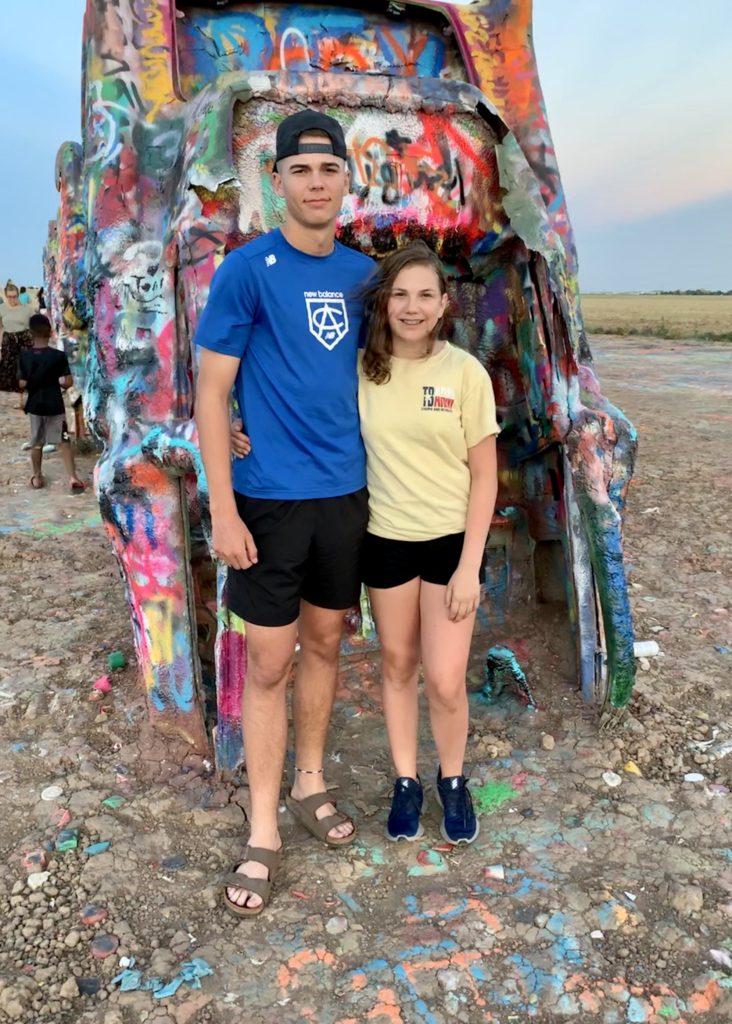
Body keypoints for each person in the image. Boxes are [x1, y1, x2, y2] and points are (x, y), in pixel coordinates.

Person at [194, 109, 374, 917]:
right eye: (299, 171)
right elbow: (210, 392)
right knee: (268, 662)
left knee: (328, 644)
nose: (315, 183)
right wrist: (222, 511)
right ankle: (262, 829)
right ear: (277, 180)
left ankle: (310, 783)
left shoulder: (364, 276)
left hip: (344, 494)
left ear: (346, 179)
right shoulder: (246, 270)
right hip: (265, 500)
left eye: (328, 170)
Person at [358, 241, 499, 845]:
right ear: (384, 301)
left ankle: (453, 780)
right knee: (396, 665)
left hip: (449, 546)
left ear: (444, 304)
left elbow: (485, 476)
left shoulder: (465, 373)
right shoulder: (363, 368)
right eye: (400, 294)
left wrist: (470, 566)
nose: (411, 308)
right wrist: (238, 428)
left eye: (424, 295)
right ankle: (407, 781)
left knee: (443, 678)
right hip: (386, 538)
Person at [17, 314, 86, 492]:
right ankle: (72, 477)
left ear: (30, 333)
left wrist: (31, 382)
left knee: (37, 442)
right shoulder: (58, 356)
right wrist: (59, 382)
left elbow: (22, 384)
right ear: (50, 333)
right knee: (63, 441)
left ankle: (37, 476)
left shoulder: (24, 356)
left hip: (35, 405)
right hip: (54, 403)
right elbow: (68, 382)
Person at [0, 282, 33, 392]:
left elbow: (34, 325)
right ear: (6, 296)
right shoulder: (1, 308)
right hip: (8, 341)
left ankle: (22, 397)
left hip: (24, 340)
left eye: (14, 296)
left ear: (18, 295)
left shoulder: (27, 309)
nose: (12, 299)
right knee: (9, 369)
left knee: (24, 368)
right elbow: (0, 328)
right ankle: (15, 393)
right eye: (9, 297)